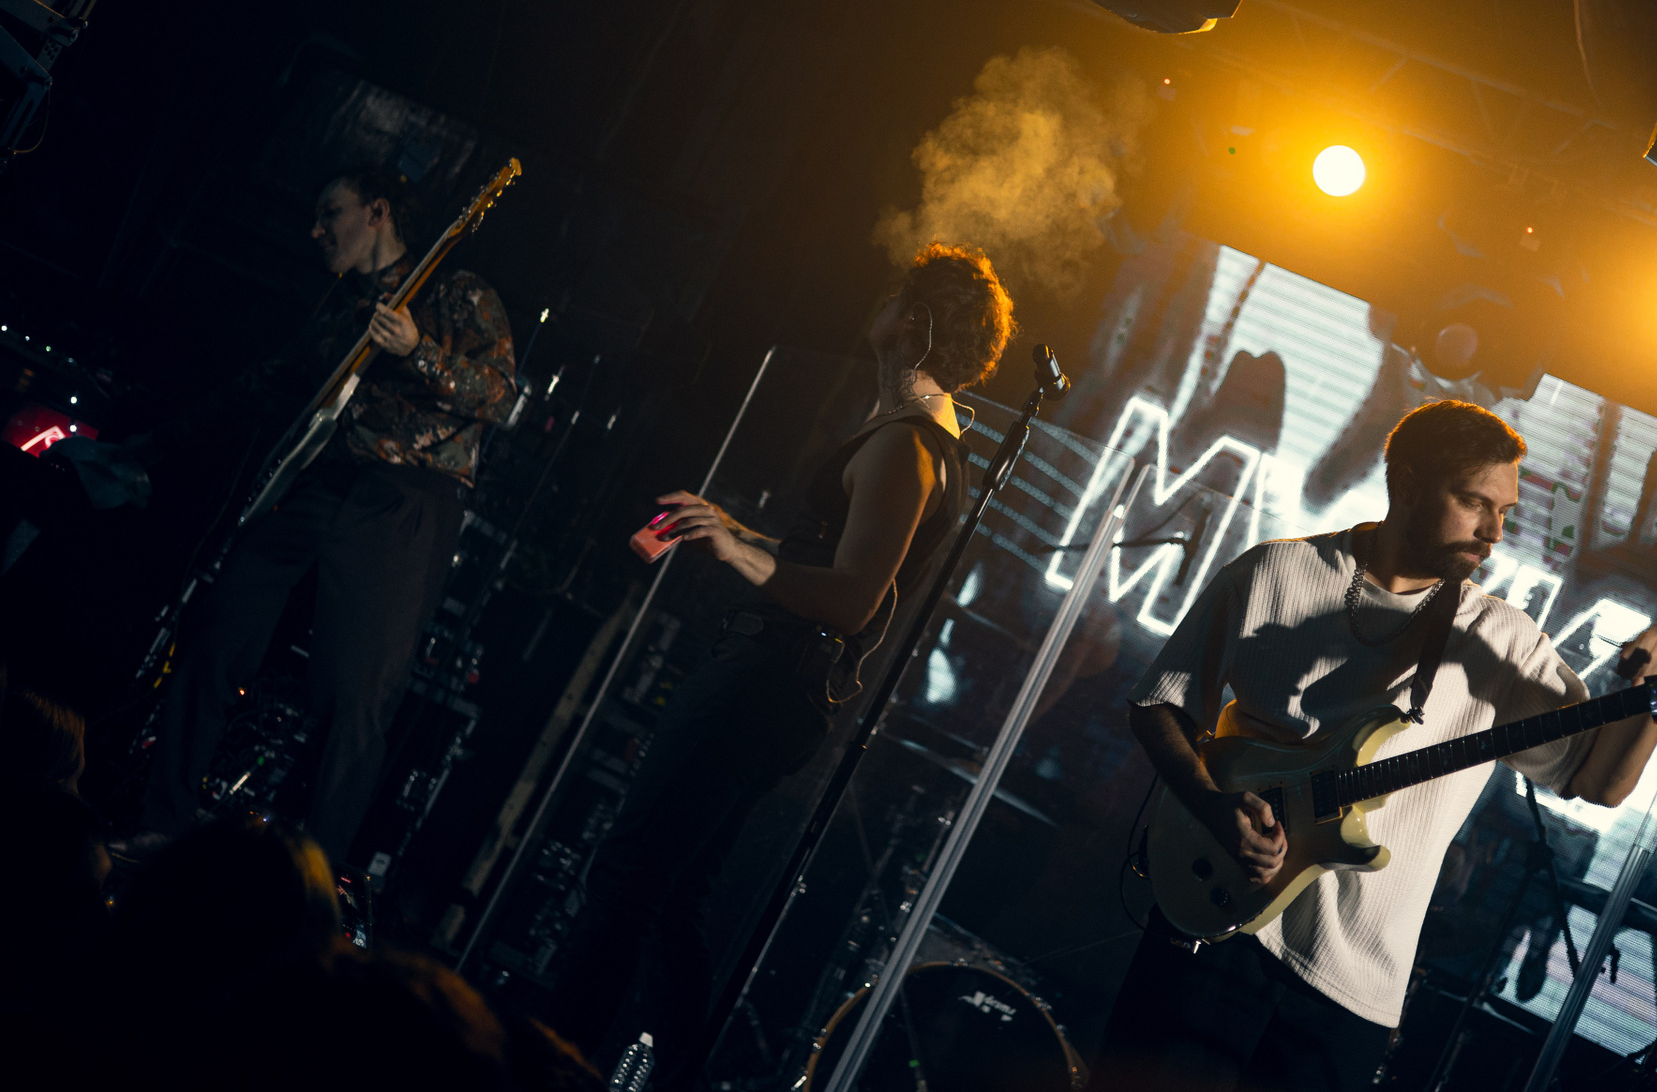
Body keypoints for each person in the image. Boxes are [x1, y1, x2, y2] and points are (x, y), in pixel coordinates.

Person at [1095, 399, 1657, 1092]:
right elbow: (1159, 704)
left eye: (1504, 511)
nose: (1494, 531)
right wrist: (1212, 805)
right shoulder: (1276, 571)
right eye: (1474, 502)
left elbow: (1598, 782)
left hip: (1351, 989)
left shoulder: (1502, 641)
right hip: (1215, 919)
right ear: (1406, 483)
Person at [548, 243, 1017, 1084]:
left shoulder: (905, 446)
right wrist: (735, 530)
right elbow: (830, 558)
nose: (877, 303)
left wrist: (737, 553)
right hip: (776, 686)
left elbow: (853, 598)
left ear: (914, 323)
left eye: (896, 296)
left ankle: (548, 1061)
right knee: (673, 899)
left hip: (762, 683)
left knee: (628, 878)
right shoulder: (916, 436)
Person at [125, 166, 514, 862]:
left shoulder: (457, 293)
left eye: (330, 212)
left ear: (377, 212)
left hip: (405, 502)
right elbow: (259, 386)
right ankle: (164, 821)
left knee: (354, 697)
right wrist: (148, 447)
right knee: (216, 631)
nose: (316, 230)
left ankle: (311, 882)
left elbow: (499, 396)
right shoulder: (340, 315)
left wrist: (419, 353)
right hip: (318, 487)